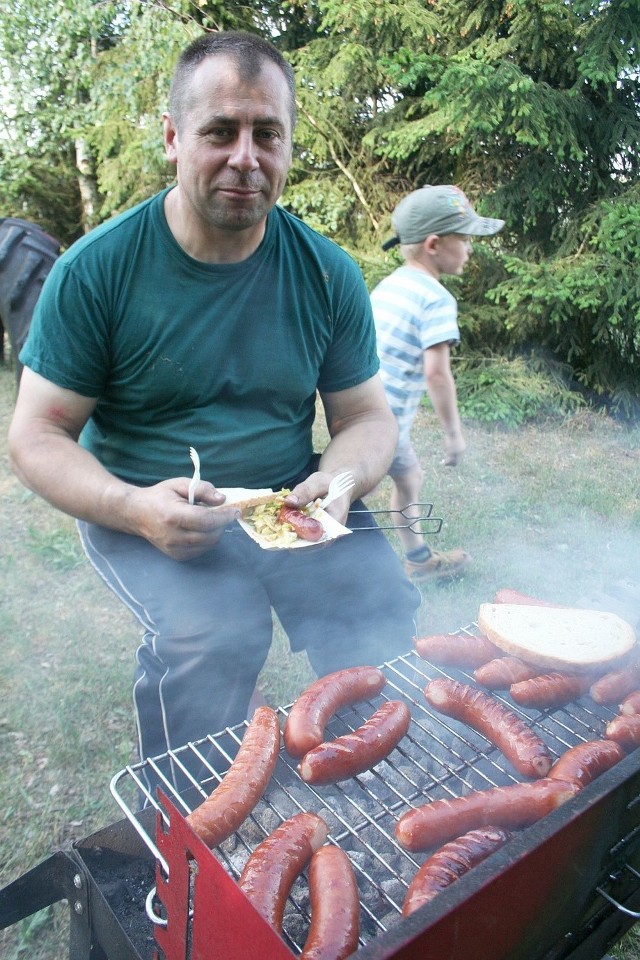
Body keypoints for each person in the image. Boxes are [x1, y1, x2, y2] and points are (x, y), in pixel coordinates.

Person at [8, 31, 420, 787]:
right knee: (215, 635)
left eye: (267, 134)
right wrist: (132, 508)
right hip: (143, 501)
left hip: (286, 497)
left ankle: (375, 775)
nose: (246, 157)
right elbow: (36, 435)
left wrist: (342, 481)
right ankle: (183, 820)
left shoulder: (326, 272)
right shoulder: (97, 271)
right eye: (220, 131)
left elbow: (366, 420)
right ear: (172, 137)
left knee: (381, 600)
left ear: (289, 144)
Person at [371, 185, 504, 582]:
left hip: (363, 410)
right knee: (373, 487)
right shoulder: (436, 299)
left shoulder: (391, 284)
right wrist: (453, 434)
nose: (469, 248)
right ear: (433, 244)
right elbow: (436, 372)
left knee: (406, 478)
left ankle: (417, 557)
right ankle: (408, 563)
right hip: (388, 421)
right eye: (464, 239)